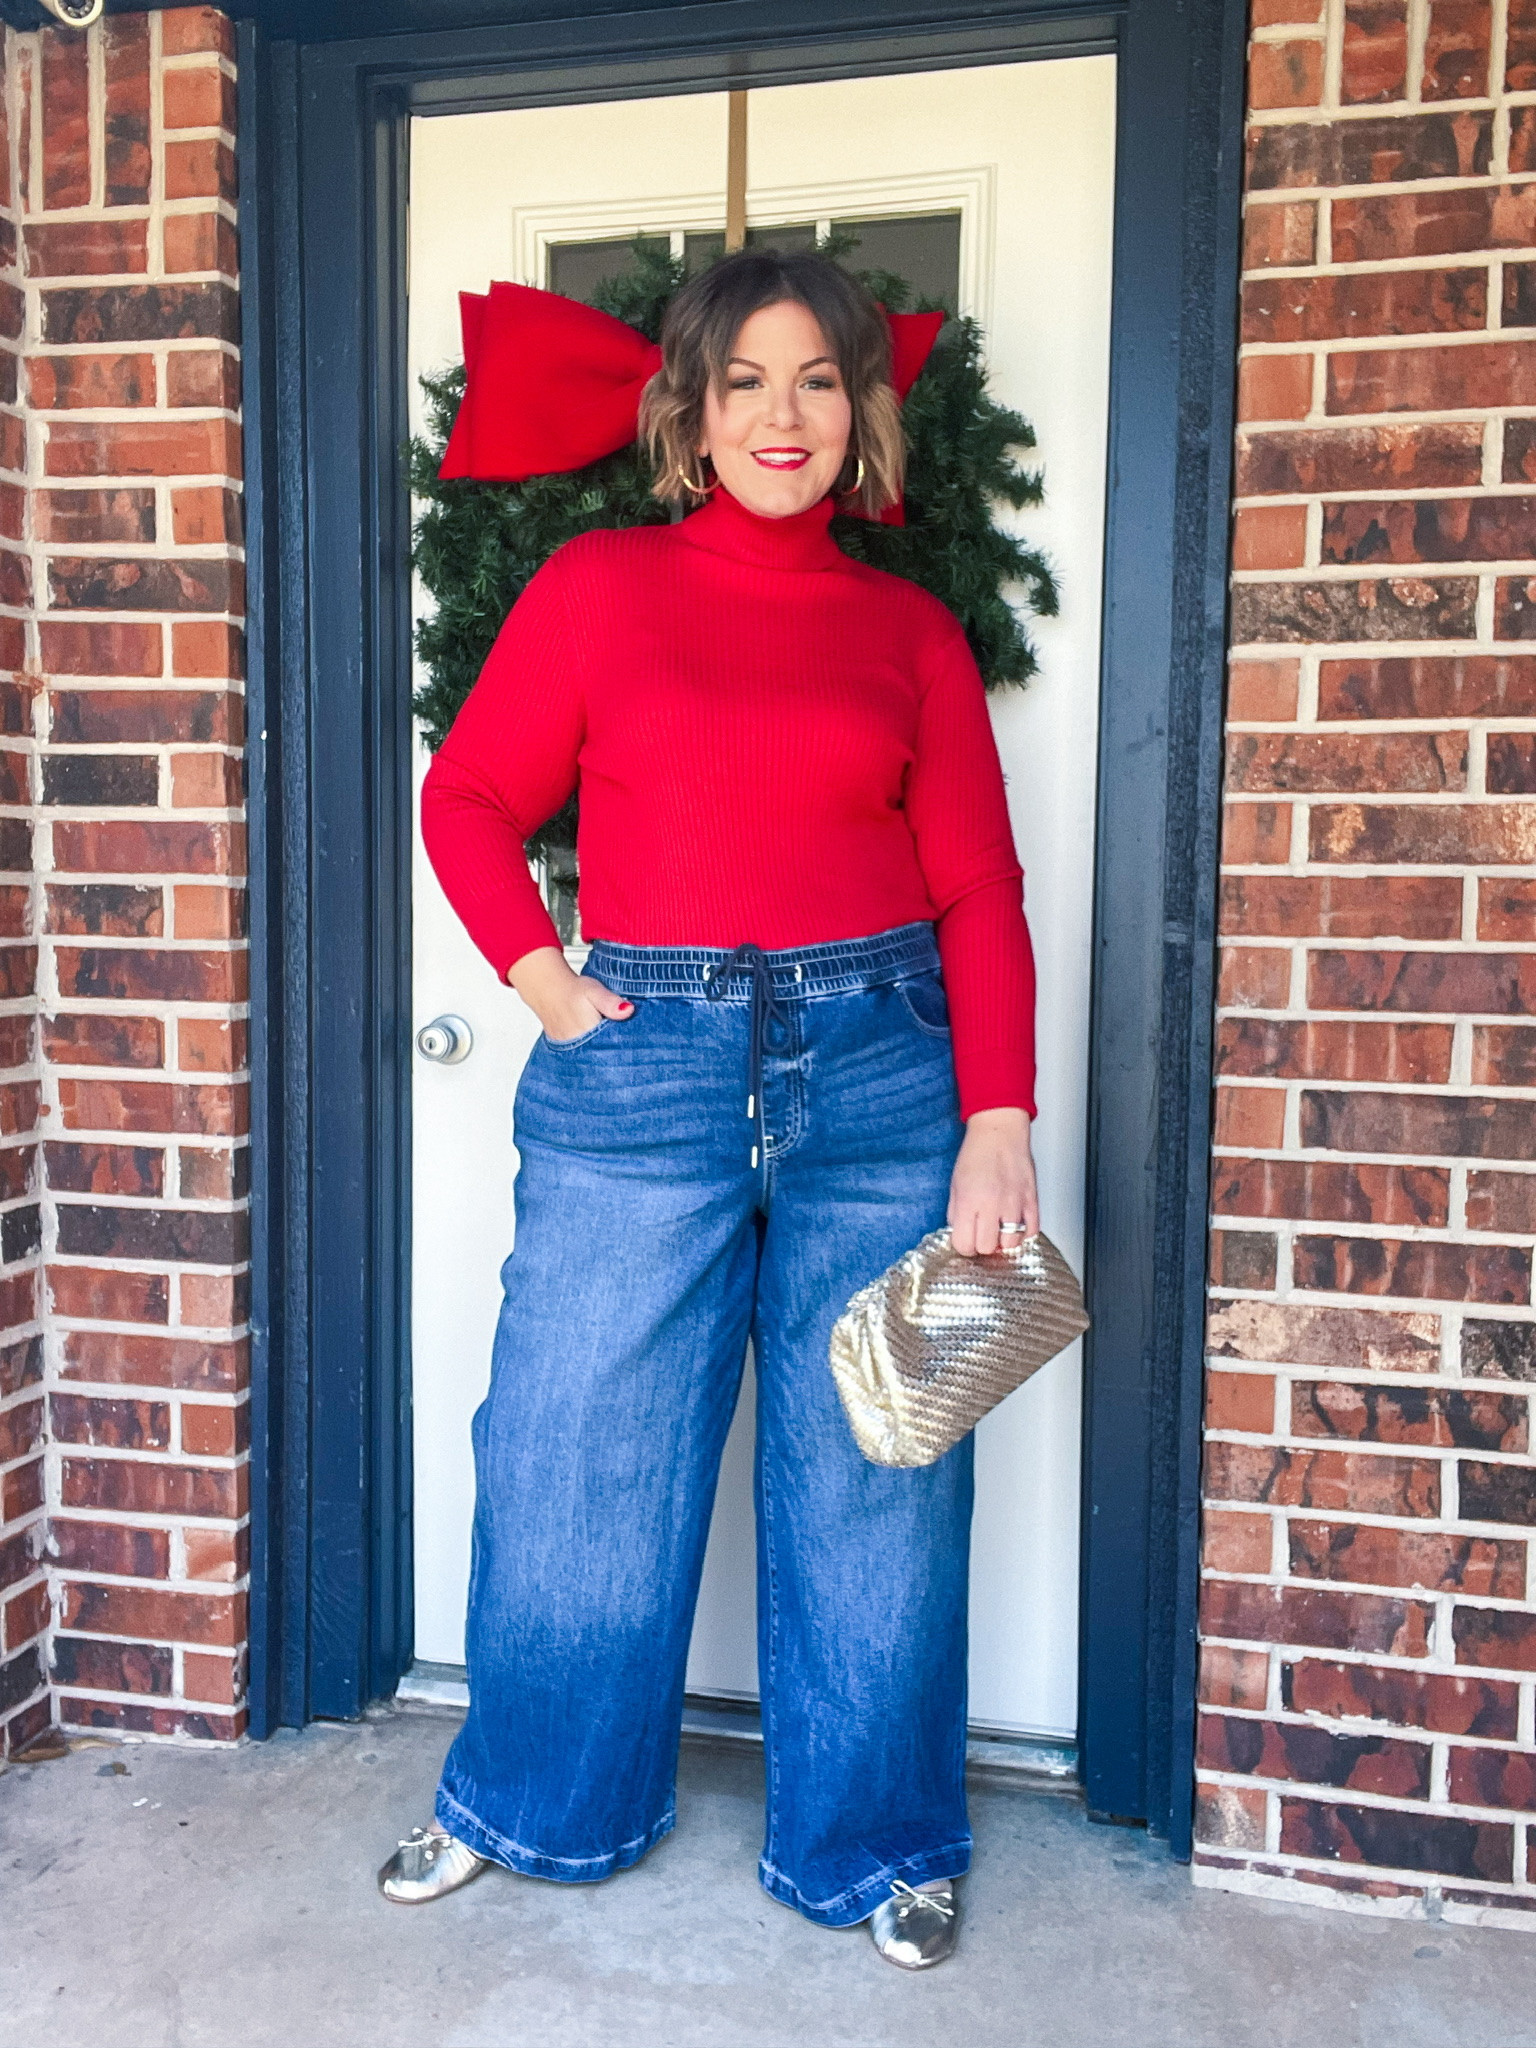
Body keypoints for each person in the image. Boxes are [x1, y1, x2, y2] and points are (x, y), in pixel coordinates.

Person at [380, 249, 1040, 1971]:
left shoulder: (907, 630)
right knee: (570, 1453)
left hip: (890, 1076)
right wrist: (537, 975)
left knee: (885, 1472)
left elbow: (979, 886)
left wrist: (1000, 1115)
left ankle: (878, 1844)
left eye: (817, 379)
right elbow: (472, 797)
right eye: (745, 380)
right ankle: (530, 1799)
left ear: (860, 416)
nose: (782, 413)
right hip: (642, 1072)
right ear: (689, 413)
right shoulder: (600, 588)